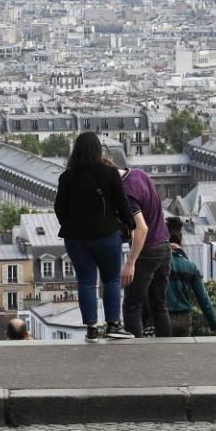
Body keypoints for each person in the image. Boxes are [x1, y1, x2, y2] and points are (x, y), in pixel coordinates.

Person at [54, 132, 136, 340]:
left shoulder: (67, 177)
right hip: (106, 235)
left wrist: (69, 225)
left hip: (76, 239)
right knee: (110, 279)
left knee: (86, 282)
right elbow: (122, 204)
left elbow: (59, 208)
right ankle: (113, 325)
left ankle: (91, 328)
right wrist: (130, 224)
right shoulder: (109, 174)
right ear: (98, 150)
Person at [116, 157, 171, 338]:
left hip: (146, 250)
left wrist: (130, 262)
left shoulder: (125, 192)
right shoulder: (139, 174)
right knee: (159, 304)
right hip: (164, 244)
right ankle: (167, 346)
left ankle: (135, 353)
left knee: (132, 306)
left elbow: (142, 228)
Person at [165, 217, 216, 337]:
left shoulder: (155, 264)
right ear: (180, 241)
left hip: (160, 318)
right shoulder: (190, 266)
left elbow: (145, 296)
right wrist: (214, 326)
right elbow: (203, 299)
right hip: (184, 320)